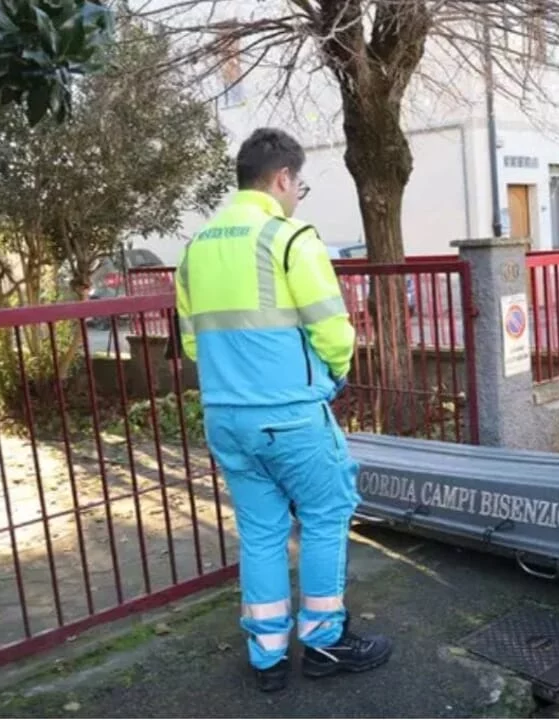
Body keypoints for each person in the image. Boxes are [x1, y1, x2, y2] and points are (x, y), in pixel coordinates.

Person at [175, 127, 393, 693]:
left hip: (226, 416)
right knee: (324, 516)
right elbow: (333, 330)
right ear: (281, 178)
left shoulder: (195, 250)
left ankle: (267, 656)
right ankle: (324, 643)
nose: (298, 194)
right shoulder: (289, 238)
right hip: (291, 416)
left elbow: (194, 344)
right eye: (299, 184)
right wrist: (335, 375)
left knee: (262, 534)